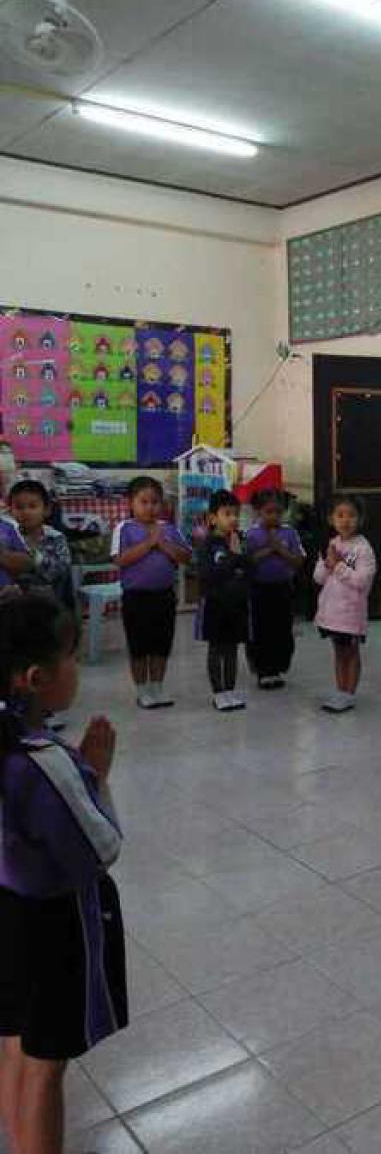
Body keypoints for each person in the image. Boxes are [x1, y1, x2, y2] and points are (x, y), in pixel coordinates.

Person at [0, 593, 127, 1154]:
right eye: (70, 656)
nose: (76, 668)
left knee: (13, 1043)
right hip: (49, 927)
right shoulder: (41, 760)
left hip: (6, 912)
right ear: (36, 678)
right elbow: (103, 846)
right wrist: (95, 774)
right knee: (46, 1066)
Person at [111, 476, 191, 709]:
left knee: (161, 646)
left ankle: (158, 687)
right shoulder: (124, 528)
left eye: (155, 502)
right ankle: (142, 690)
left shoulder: (169, 529)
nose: (150, 507)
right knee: (139, 647)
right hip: (136, 598)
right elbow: (120, 559)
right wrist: (148, 543)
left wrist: (163, 544)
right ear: (131, 503)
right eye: (143, 502)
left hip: (164, 596)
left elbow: (186, 556)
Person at [314, 495, 376, 713]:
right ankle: (340, 691)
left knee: (351, 652)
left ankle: (349, 694)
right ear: (331, 519)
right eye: (340, 515)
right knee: (338, 652)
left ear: (360, 519)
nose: (345, 520)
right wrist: (326, 563)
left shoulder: (363, 548)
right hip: (332, 613)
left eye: (351, 515)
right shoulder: (332, 543)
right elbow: (319, 578)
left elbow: (362, 581)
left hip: (351, 613)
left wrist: (339, 566)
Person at [195, 489, 251, 712]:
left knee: (232, 649)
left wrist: (242, 557)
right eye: (227, 514)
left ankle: (230, 690)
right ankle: (218, 692)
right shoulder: (208, 544)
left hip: (236, 605)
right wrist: (234, 557)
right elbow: (209, 575)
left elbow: (250, 568)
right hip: (215, 604)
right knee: (216, 648)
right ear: (212, 518)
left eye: (236, 514)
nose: (233, 519)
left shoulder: (240, 540)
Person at [245, 489, 306, 690]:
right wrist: (270, 549)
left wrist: (280, 549)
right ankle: (263, 670)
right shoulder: (251, 534)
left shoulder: (290, 533)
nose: (274, 516)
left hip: (283, 588)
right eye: (269, 512)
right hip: (259, 589)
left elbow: (298, 560)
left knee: (282, 629)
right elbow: (247, 561)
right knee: (261, 630)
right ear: (258, 512)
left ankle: (278, 668)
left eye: (278, 512)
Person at [8, 480, 73, 609]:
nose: (25, 512)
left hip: (49, 602)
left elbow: (60, 570)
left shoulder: (56, 538)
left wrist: (34, 557)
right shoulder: (8, 537)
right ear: (10, 511)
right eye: (19, 507)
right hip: (13, 600)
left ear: (46, 510)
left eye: (32, 506)